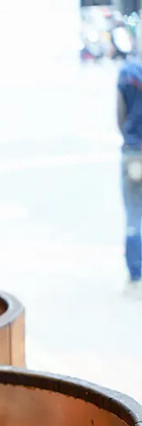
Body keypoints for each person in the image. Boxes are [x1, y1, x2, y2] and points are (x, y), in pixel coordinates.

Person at [118, 57, 142, 295]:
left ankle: (136, 275)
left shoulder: (128, 73)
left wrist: (130, 140)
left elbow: (120, 115)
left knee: (134, 215)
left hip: (134, 153)